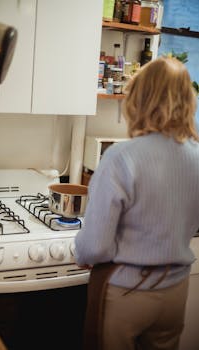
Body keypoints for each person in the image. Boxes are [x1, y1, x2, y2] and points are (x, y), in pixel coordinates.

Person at [74, 56, 199, 350]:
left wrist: (79, 251)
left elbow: (95, 247)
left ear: (140, 99)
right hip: (176, 290)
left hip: (127, 291)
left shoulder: (121, 156)